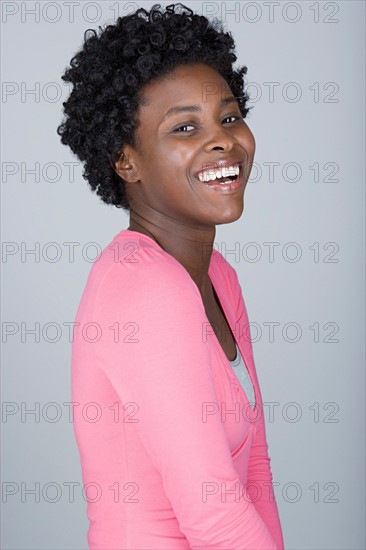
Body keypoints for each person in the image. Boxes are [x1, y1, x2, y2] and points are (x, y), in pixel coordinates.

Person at [57, 3, 285, 549]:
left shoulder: (218, 279)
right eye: (185, 127)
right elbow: (214, 513)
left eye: (229, 118)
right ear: (125, 160)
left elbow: (255, 474)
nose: (223, 141)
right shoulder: (142, 289)